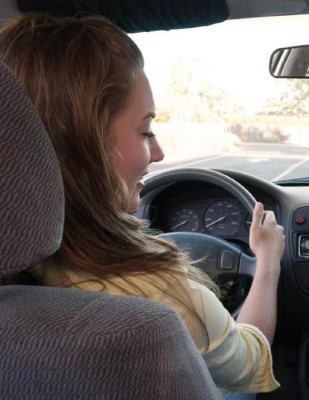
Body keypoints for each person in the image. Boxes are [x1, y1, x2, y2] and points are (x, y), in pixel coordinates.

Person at [0, 13, 285, 396]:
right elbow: (249, 366)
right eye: (146, 131)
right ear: (86, 143)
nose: (160, 152)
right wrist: (267, 261)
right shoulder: (159, 294)